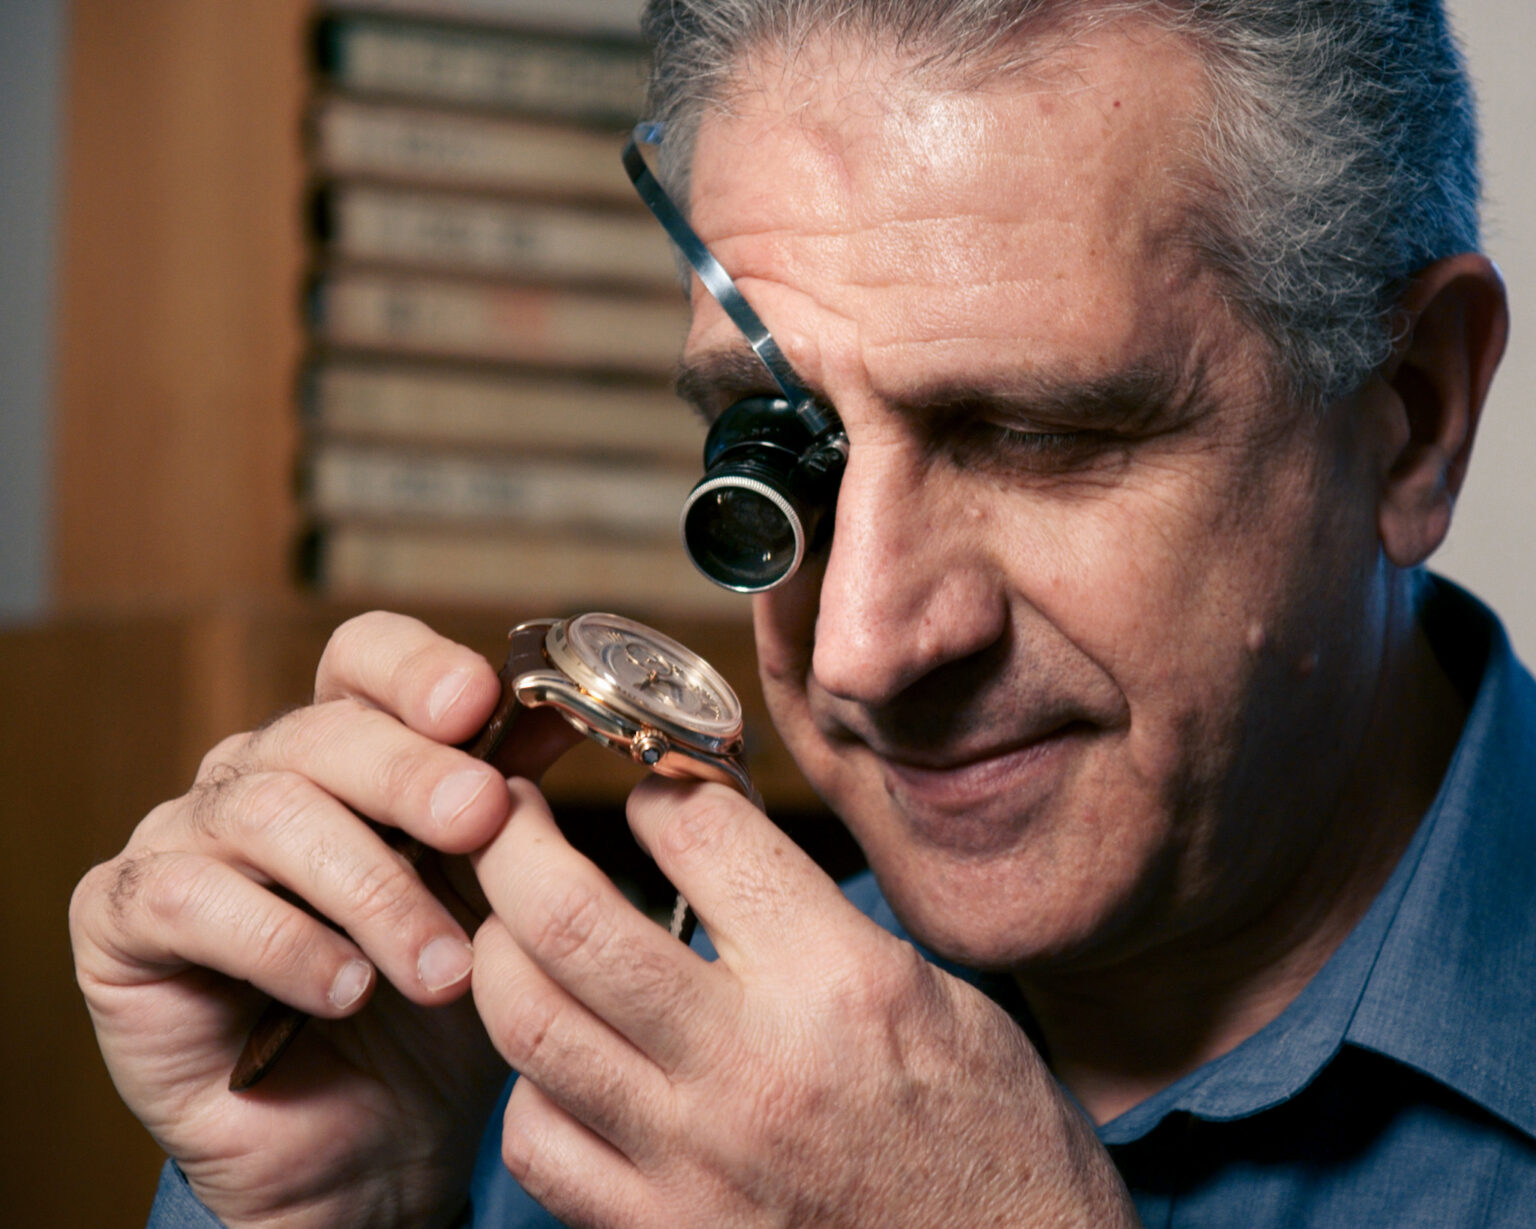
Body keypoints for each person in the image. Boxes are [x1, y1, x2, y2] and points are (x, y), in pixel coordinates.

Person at [69, 0, 1533, 1225]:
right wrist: (361, 1210)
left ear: (1414, 419)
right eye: (780, 449)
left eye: (1036, 437)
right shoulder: (524, 1088)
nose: (859, 650)